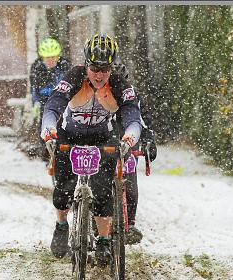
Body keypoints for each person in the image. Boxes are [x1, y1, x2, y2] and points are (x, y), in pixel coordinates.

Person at [41, 33, 143, 266]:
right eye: (95, 68)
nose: (99, 75)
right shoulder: (74, 77)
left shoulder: (119, 84)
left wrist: (129, 138)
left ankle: (104, 240)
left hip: (102, 137)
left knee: (102, 188)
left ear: (111, 68)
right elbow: (53, 105)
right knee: (64, 188)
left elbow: (132, 116)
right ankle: (61, 226)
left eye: (105, 69)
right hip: (69, 135)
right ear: (86, 64)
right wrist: (49, 131)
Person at [110, 62, 158, 245]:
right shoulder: (96, 95)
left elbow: (143, 120)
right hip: (104, 142)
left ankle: (129, 223)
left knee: (129, 183)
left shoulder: (133, 96)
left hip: (127, 143)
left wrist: (149, 140)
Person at [29, 38, 71, 160]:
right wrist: (35, 103)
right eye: (47, 58)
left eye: (53, 57)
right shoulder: (37, 68)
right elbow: (34, 88)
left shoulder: (65, 66)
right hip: (45, 103)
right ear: (42, 58)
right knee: (45, 125)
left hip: (65, 102)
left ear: (58, 56)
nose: (51, 60)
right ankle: (47, 152)